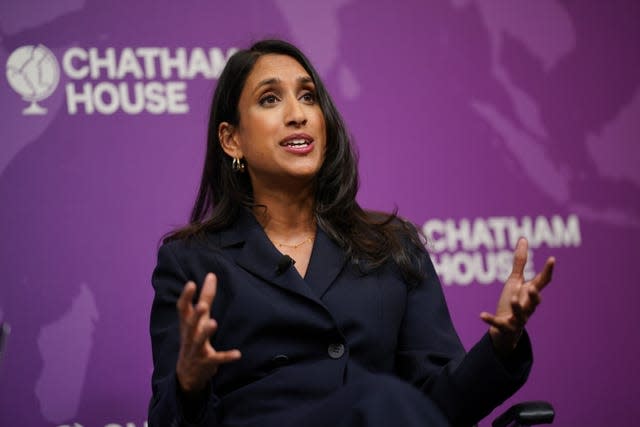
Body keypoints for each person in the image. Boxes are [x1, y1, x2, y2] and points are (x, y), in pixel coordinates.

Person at [148, 39, 555, 427]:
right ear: (232, 140)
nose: (298, 113)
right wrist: (189, 383)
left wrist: (500, 347)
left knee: (385, 401)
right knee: (380, 398)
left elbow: (436, 408)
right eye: (270, 99)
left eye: (308, 96)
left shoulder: (393, 248)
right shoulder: (192, 262)